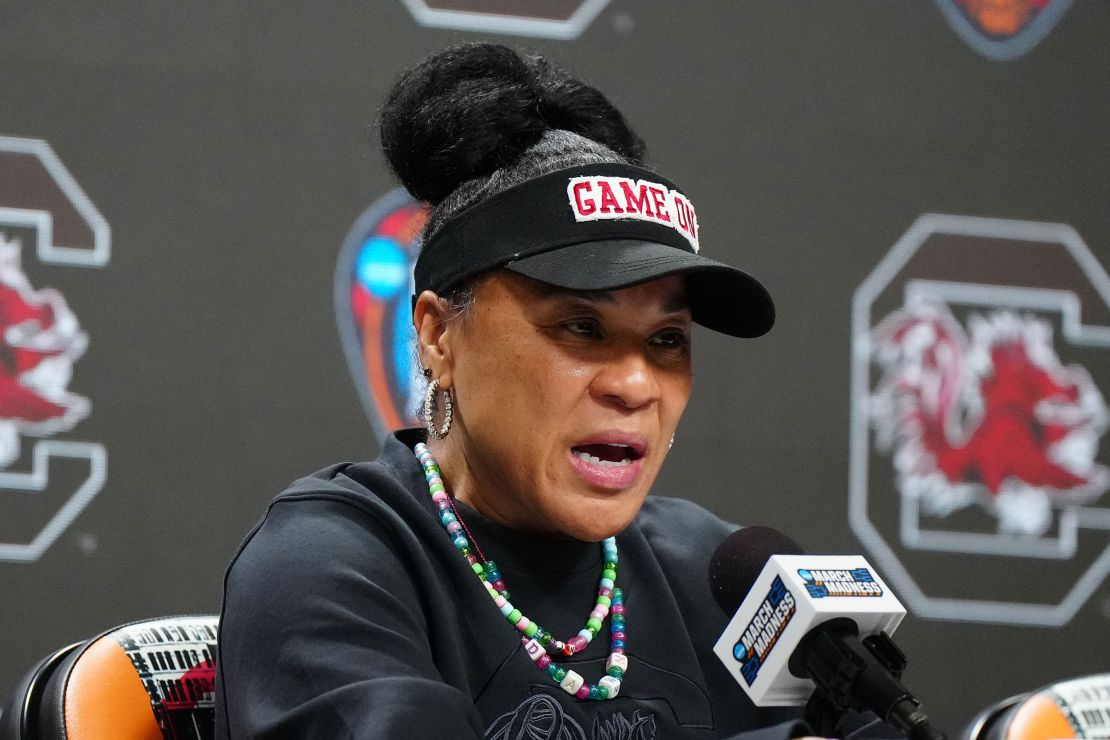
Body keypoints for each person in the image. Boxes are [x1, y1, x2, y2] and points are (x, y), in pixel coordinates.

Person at [215, 42, 819, 739]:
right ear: (439, 336)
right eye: (581, 327)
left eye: (666, 341)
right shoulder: (330, 563)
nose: (634, 385)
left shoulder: (721, 574)